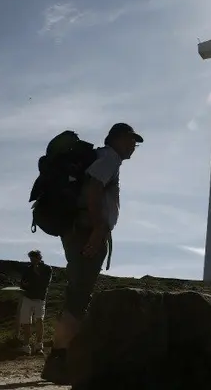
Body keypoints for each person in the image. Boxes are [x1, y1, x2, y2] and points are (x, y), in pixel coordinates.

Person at [42, 123, 142, 384]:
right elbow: (93, 188)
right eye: (132, 140)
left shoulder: (100, 156)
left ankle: (62, 356)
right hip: (86, 230)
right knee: (79, 294)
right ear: (118, 139)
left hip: (77, 228)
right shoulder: (109, 158)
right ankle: (60, 359)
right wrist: (99, 227)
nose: (134, 146)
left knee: (77, 291)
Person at [19, 250, 53, 355]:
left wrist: (37, 274)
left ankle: (39, 345)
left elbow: (45, 283)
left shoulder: (47, 269)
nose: (32, 260)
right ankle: (26, 346)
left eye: (34, 258)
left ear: (39, 258)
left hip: (39, 298)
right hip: (28, 297)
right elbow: (23, 283)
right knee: (26, 322)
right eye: (31, 259)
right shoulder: (28, 269)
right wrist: (25, 285)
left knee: (39, 321)